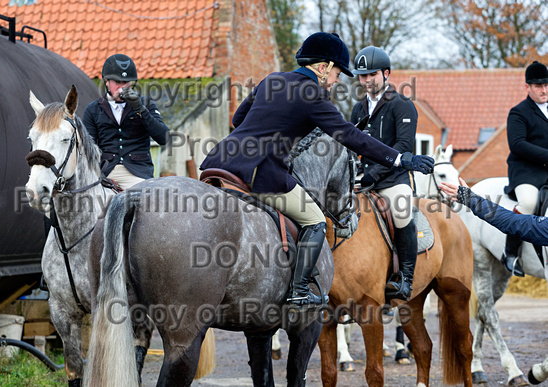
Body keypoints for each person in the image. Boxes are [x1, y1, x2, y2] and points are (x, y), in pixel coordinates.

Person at [199, 32, 434, 308]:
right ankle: (299, 290)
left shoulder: (271, 79)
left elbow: (239, 118)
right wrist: (399, 159)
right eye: (337, 74)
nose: (337, 81)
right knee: (315, 220)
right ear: (323, 68)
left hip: (217, 161)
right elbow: (350, 136)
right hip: (259, 172)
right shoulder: (315, 96)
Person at [350, 46, 419, 301]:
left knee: (401, 213)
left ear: (386, 73)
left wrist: (375, 174)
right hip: (362, 180)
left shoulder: (402, 105)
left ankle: (405, 279)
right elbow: (352, 145)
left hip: (393, 180)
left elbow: (403, 147)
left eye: (372, 75)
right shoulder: (358, 110)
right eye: (362, 76)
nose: (367, 80)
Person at [83, 54, 169, 190]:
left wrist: (140, 109)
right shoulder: (93, 109)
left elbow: (164, 138)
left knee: (145, 202)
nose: (122, 88)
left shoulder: (146, 103)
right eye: (117, 82)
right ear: (106, 81)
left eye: (126, 83)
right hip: (105, 171)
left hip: (137, 171)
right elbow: (87, 149)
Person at [503, 60, 548, 276]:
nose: (544, 90)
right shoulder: (518, 112)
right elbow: (517, 144)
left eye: (547, 85)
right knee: (529, 202)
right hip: (526, 171)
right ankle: (510, 252)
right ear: (527, 87)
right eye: (538, 86)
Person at [440, 178, 548, 246]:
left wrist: (471, 200)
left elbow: (515, 223)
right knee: (527, 203)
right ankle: (511, 250)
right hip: (526, 174)